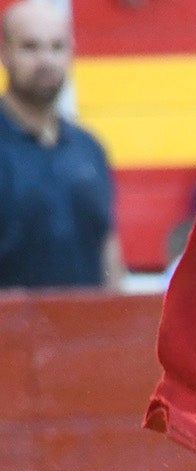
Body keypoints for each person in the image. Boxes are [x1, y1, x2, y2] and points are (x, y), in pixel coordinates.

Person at [0, 0, 121, 290]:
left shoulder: (89, 150)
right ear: (5, 53)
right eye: (30, 47)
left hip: (88, 332)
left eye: (57, 47)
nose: (46, 60)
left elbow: (107, 249)